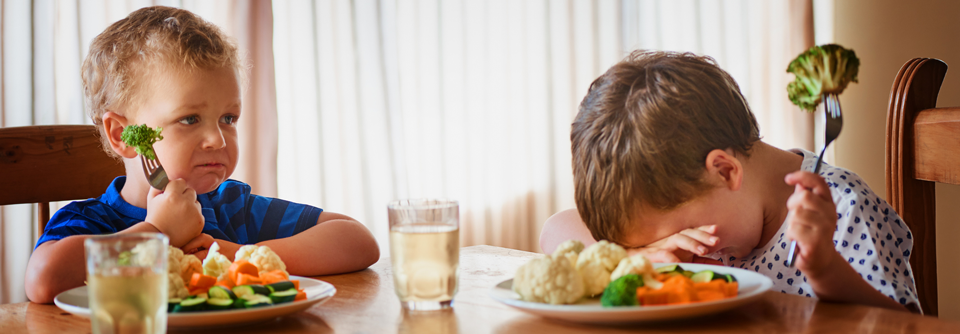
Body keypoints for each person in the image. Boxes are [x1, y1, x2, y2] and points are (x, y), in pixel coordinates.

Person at [25, 6, 379, 303]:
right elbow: (44, 279)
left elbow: (357, 240)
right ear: (124, 135)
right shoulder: (94, 222)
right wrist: (156, 232)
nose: (218, 140)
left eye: (228, 118)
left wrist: (240, 255)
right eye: (189, 119)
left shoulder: (230, 207)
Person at [540, 50, 920, 313]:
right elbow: (555, 231)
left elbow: (904, 326)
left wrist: (825, 271)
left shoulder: (841, 211)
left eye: (684, 232)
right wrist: (635, 257)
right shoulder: (700, 198)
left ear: (725, 171)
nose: (683, 249)